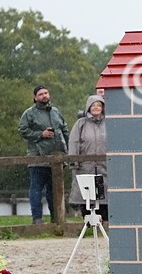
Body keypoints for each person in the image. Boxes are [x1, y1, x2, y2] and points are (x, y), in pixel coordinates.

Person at [17, 84, 69, 224]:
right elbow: (22, 130)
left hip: (56, 157)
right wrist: (41, 134)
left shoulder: (56, 112)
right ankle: (37, 219)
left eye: (46, 93)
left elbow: (64, 129)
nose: (44, 95)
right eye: (41, 94)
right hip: (37, 157)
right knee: (36, 190)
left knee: (54, 191)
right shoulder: (29, 113)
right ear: (35, 97)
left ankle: (56, 219)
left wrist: (68, 150)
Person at [67, 93, 108, 219]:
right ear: (88, 107)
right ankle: (88, 222)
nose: (96, 108)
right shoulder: (81, 124)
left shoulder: (108, 123)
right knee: (87, 194)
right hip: (85, 166)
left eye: (98, 105)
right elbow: (74, 142)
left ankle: (104, 221)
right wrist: (74, 161)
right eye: (93, 105)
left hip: (104, 166)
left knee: (103, 193)